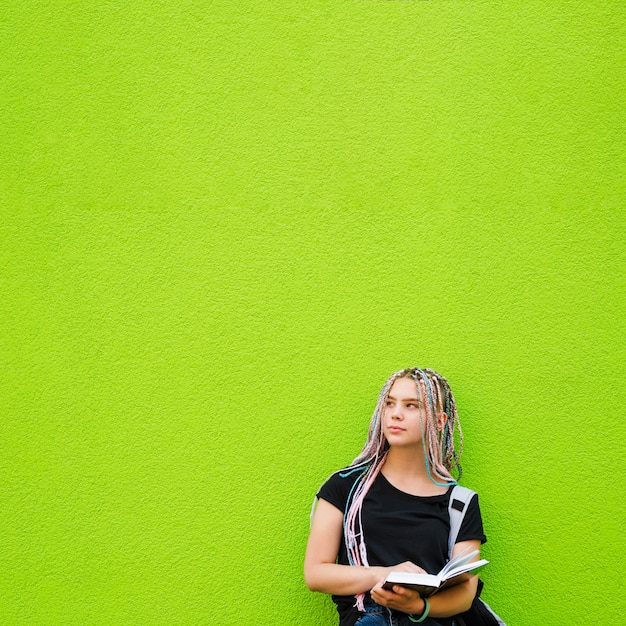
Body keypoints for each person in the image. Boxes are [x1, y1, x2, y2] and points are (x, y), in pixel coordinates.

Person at [304, 368, 487, 626]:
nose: (395, 413)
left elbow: (465, 592)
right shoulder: (345, 487)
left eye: (411, 405)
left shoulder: (460, 502)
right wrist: (387, 574)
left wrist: (418, 606)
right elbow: (315, 573)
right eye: (390, 403)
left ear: (439, 421)